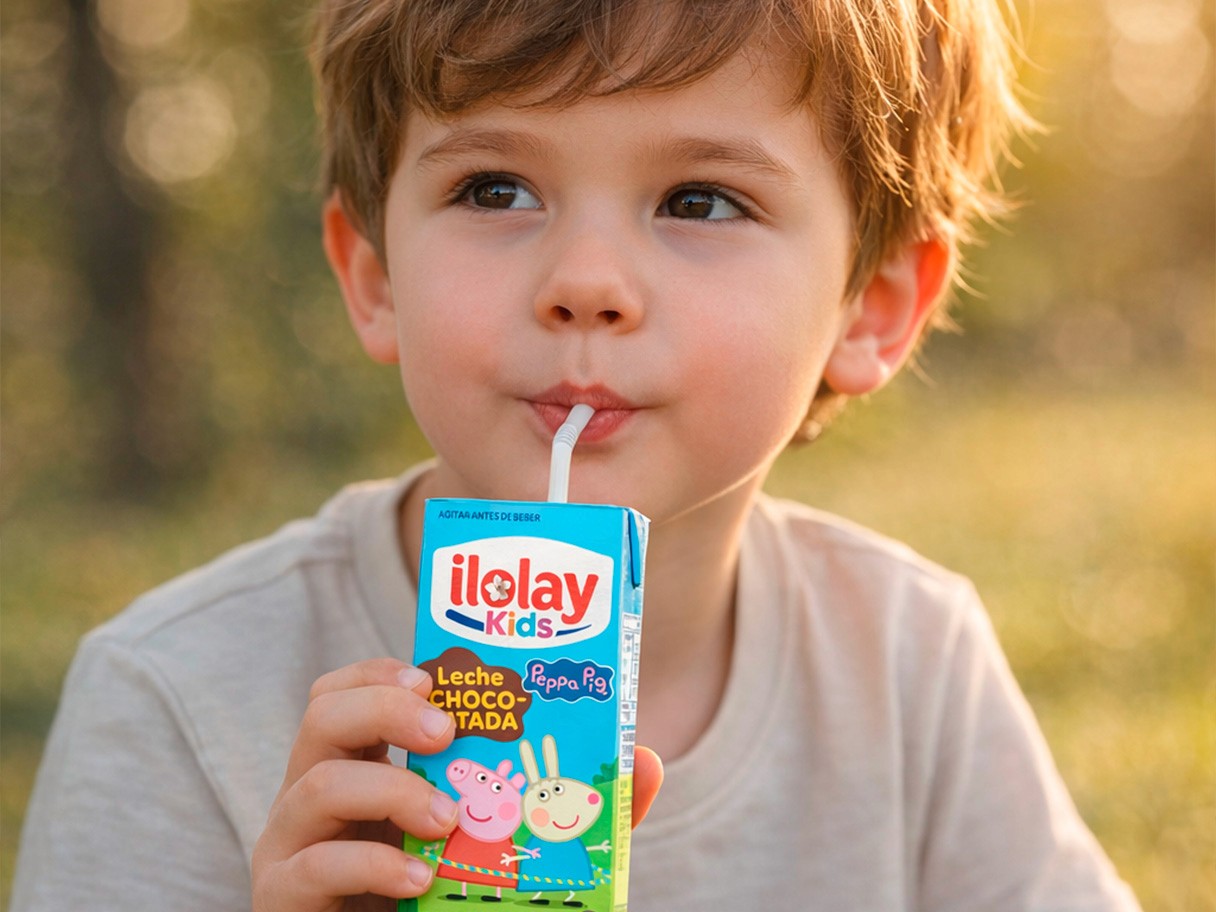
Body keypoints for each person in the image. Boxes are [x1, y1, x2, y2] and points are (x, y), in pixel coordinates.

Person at [12, 0, 1142, 909]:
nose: (585, 285)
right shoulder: (174, 695)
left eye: (700, 200)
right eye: (492, 189)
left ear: (872, 306)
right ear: (374, 277)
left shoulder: (910, 669)